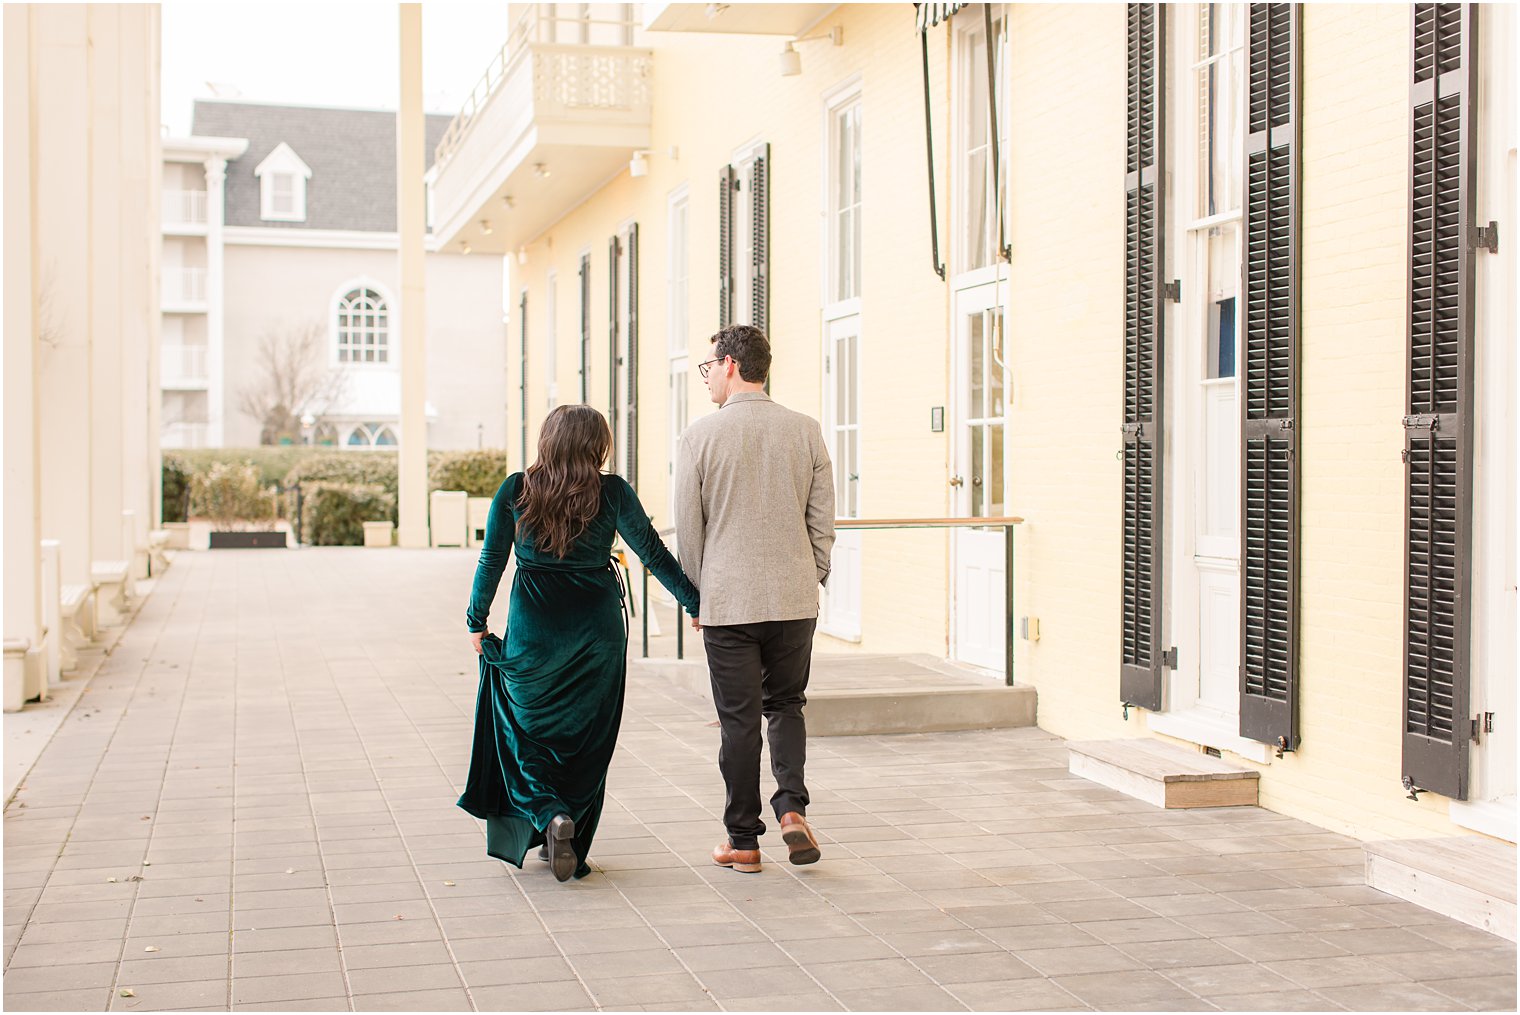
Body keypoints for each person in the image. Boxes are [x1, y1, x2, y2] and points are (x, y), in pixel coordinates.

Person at [458, 404, 699, 882]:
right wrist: (695, 603)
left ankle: (550, 815)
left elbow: (492, 559)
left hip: (535, 633)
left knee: (526, 733)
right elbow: (650, 552)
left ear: (547, 440)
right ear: (597, 444)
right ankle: (569, 833)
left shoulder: (516, 489)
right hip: (598, 634)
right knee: (587, 740)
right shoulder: (611, 492)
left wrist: (476, 620)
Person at [675, 324, 836, 875]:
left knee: (739, 722)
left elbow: (688, 529)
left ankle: (743, 841)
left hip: (730, 603)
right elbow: (822, 518)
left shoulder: (700, 437)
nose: (706, 379)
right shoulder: (806, 430)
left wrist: (699, 596)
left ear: (730, 365)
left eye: (708, 368)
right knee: (787, 706)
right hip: (794, 600)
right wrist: (811, 574)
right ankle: (791, 807)